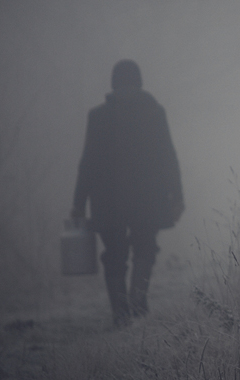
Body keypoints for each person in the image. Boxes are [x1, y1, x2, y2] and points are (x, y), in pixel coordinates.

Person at [71, 60, 184, 326]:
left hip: (107, 200)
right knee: (145, 247)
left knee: (114, 254)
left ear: (113, 84)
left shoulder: (97, 116)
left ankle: (121, 314)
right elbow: (169, 156)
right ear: (140, 82)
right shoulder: (155, 113)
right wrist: (177, 195)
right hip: (148, 197)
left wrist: (78, 203)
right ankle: (137, 301)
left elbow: (87, 163)